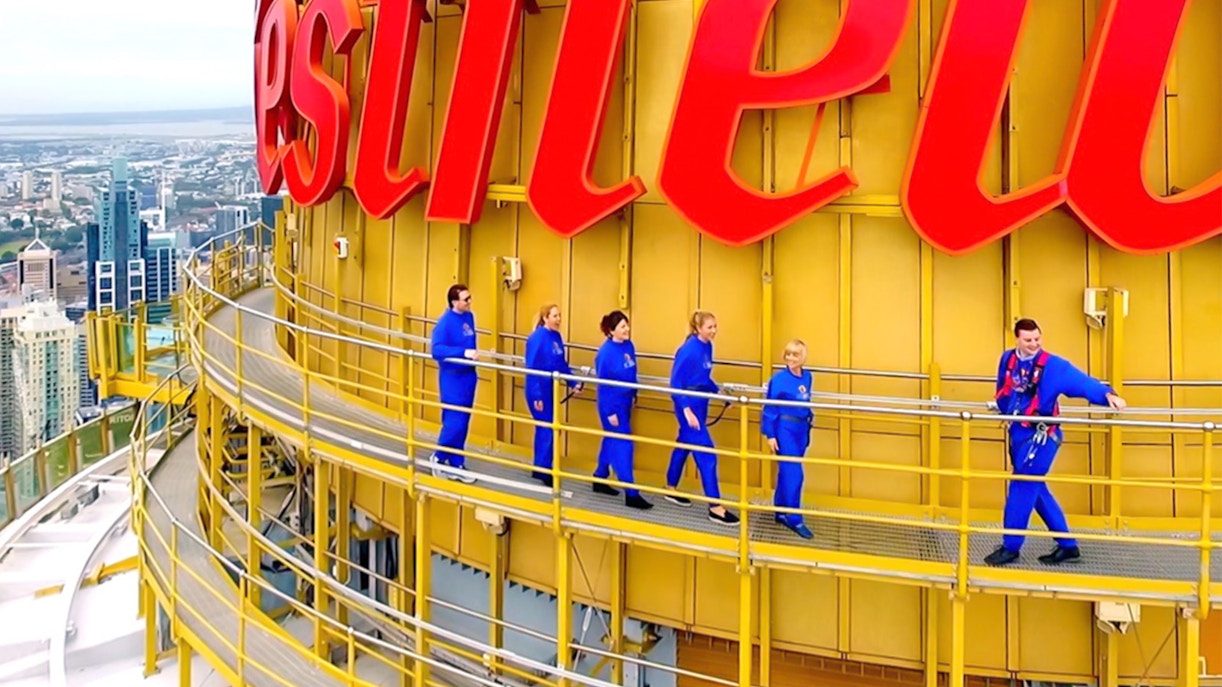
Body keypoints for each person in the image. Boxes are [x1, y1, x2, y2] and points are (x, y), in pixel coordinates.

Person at [984, 318, 1126, 567]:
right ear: (1017, 338)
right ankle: (1068, 546)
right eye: (1028, 340)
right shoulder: (1008, 359)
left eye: (1037, 339)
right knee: (1036, 491)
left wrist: (1108, 395)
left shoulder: (1053, 366)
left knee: (1022, 485)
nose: (1034, 344)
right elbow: (1004, 389)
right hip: (1017, 431)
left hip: (1041, 436)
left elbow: (1082, 382)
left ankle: (1010, 547)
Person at [665, 311, 738, 526]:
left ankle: (670, 486)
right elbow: (675, 382)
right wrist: (686, 409)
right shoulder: (688, 350)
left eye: (715, 326)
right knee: (707, 454)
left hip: (700, 402)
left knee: (684, 444)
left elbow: (703, 378)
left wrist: (718, 393)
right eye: (710, 327)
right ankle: (715, 506)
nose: (714, 331)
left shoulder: (707, 346)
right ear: (698, 328)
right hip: (688, 404)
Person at [593, 311, 652, 510]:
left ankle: (600, 478)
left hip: (626, 401)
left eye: (627, 325)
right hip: (611, 405)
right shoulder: (606, 353)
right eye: (622, 327)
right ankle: (631, 492)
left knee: (612, 439)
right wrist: (609, 412)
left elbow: (632, 373)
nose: (627, 329)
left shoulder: (629, 346)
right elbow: (603, 384)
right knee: (623, 444)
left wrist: (634, 394)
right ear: (612, 331)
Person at [761, 340, 814, 540]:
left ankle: (780, 510)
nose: (791, 358)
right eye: (788, 354)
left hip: (801, 428)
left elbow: (805, 401)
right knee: (795, 474)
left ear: (803, 357)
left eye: (796, 355)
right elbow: (770, 407)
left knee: (787, 471)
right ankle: (794, 517)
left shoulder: (808, 376)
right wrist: (770, 434)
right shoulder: (779, 379)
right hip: (784, 429)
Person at [525, 304, 582, 488]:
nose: (559, 319)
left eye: (559, 316)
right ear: (545, 318)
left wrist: (574, 382)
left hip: (550, 389)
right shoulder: (537, 339)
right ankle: (542, 469)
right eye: (555, 316)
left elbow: (561, 365)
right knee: (547, 428)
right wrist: (537, 396)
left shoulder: (556, 337)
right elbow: (531, 368)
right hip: (539, 390)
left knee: (549, 428)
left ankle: (541, 466)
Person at [429, 284, 479, 484]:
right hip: (453, 379)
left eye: (470, 298)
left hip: (468, 377)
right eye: (465, 299)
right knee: (454, 422)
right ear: (454, 302)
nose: (469, 302)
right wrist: (462, 353)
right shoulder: (445, 323)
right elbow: (437, 350)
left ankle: (456, 461)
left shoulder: (469, 317)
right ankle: (439, 457)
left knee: (464, 422)